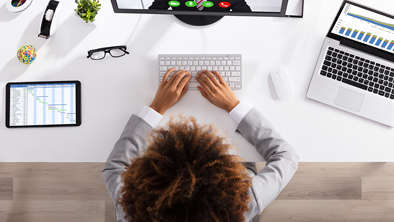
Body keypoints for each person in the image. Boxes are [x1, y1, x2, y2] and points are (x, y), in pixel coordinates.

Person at [102, 68, 299, 222]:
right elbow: (286, 156)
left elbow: (116, 165)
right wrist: (234, 106)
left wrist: (156, 107)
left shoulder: (132, 210)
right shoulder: (244, 203)